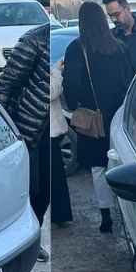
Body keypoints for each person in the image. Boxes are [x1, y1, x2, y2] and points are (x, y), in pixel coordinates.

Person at [63, 1, 132, 233]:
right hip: (119, 114)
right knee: (120, 162)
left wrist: (76, 106)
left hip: (93, 118)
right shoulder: (119, 47)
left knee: (98, 167)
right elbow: (127, 81)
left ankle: (106, 216)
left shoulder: (76, 49)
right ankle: (127, 212)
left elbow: (71, 85)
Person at [0, 22, 51, 261]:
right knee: (28, 189)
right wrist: (1, 130)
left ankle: (32, 239)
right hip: (26, 129)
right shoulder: (34, 40)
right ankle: (13, 245)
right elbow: (6, 85)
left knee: (45, 193)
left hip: (53, 128)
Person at [48, 56, 73, 227]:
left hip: (47, 132)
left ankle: (59, 215)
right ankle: (59, 215)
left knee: (54, 177)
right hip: (46, 132)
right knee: (54, 178)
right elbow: (51, 91)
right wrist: (56, 72)